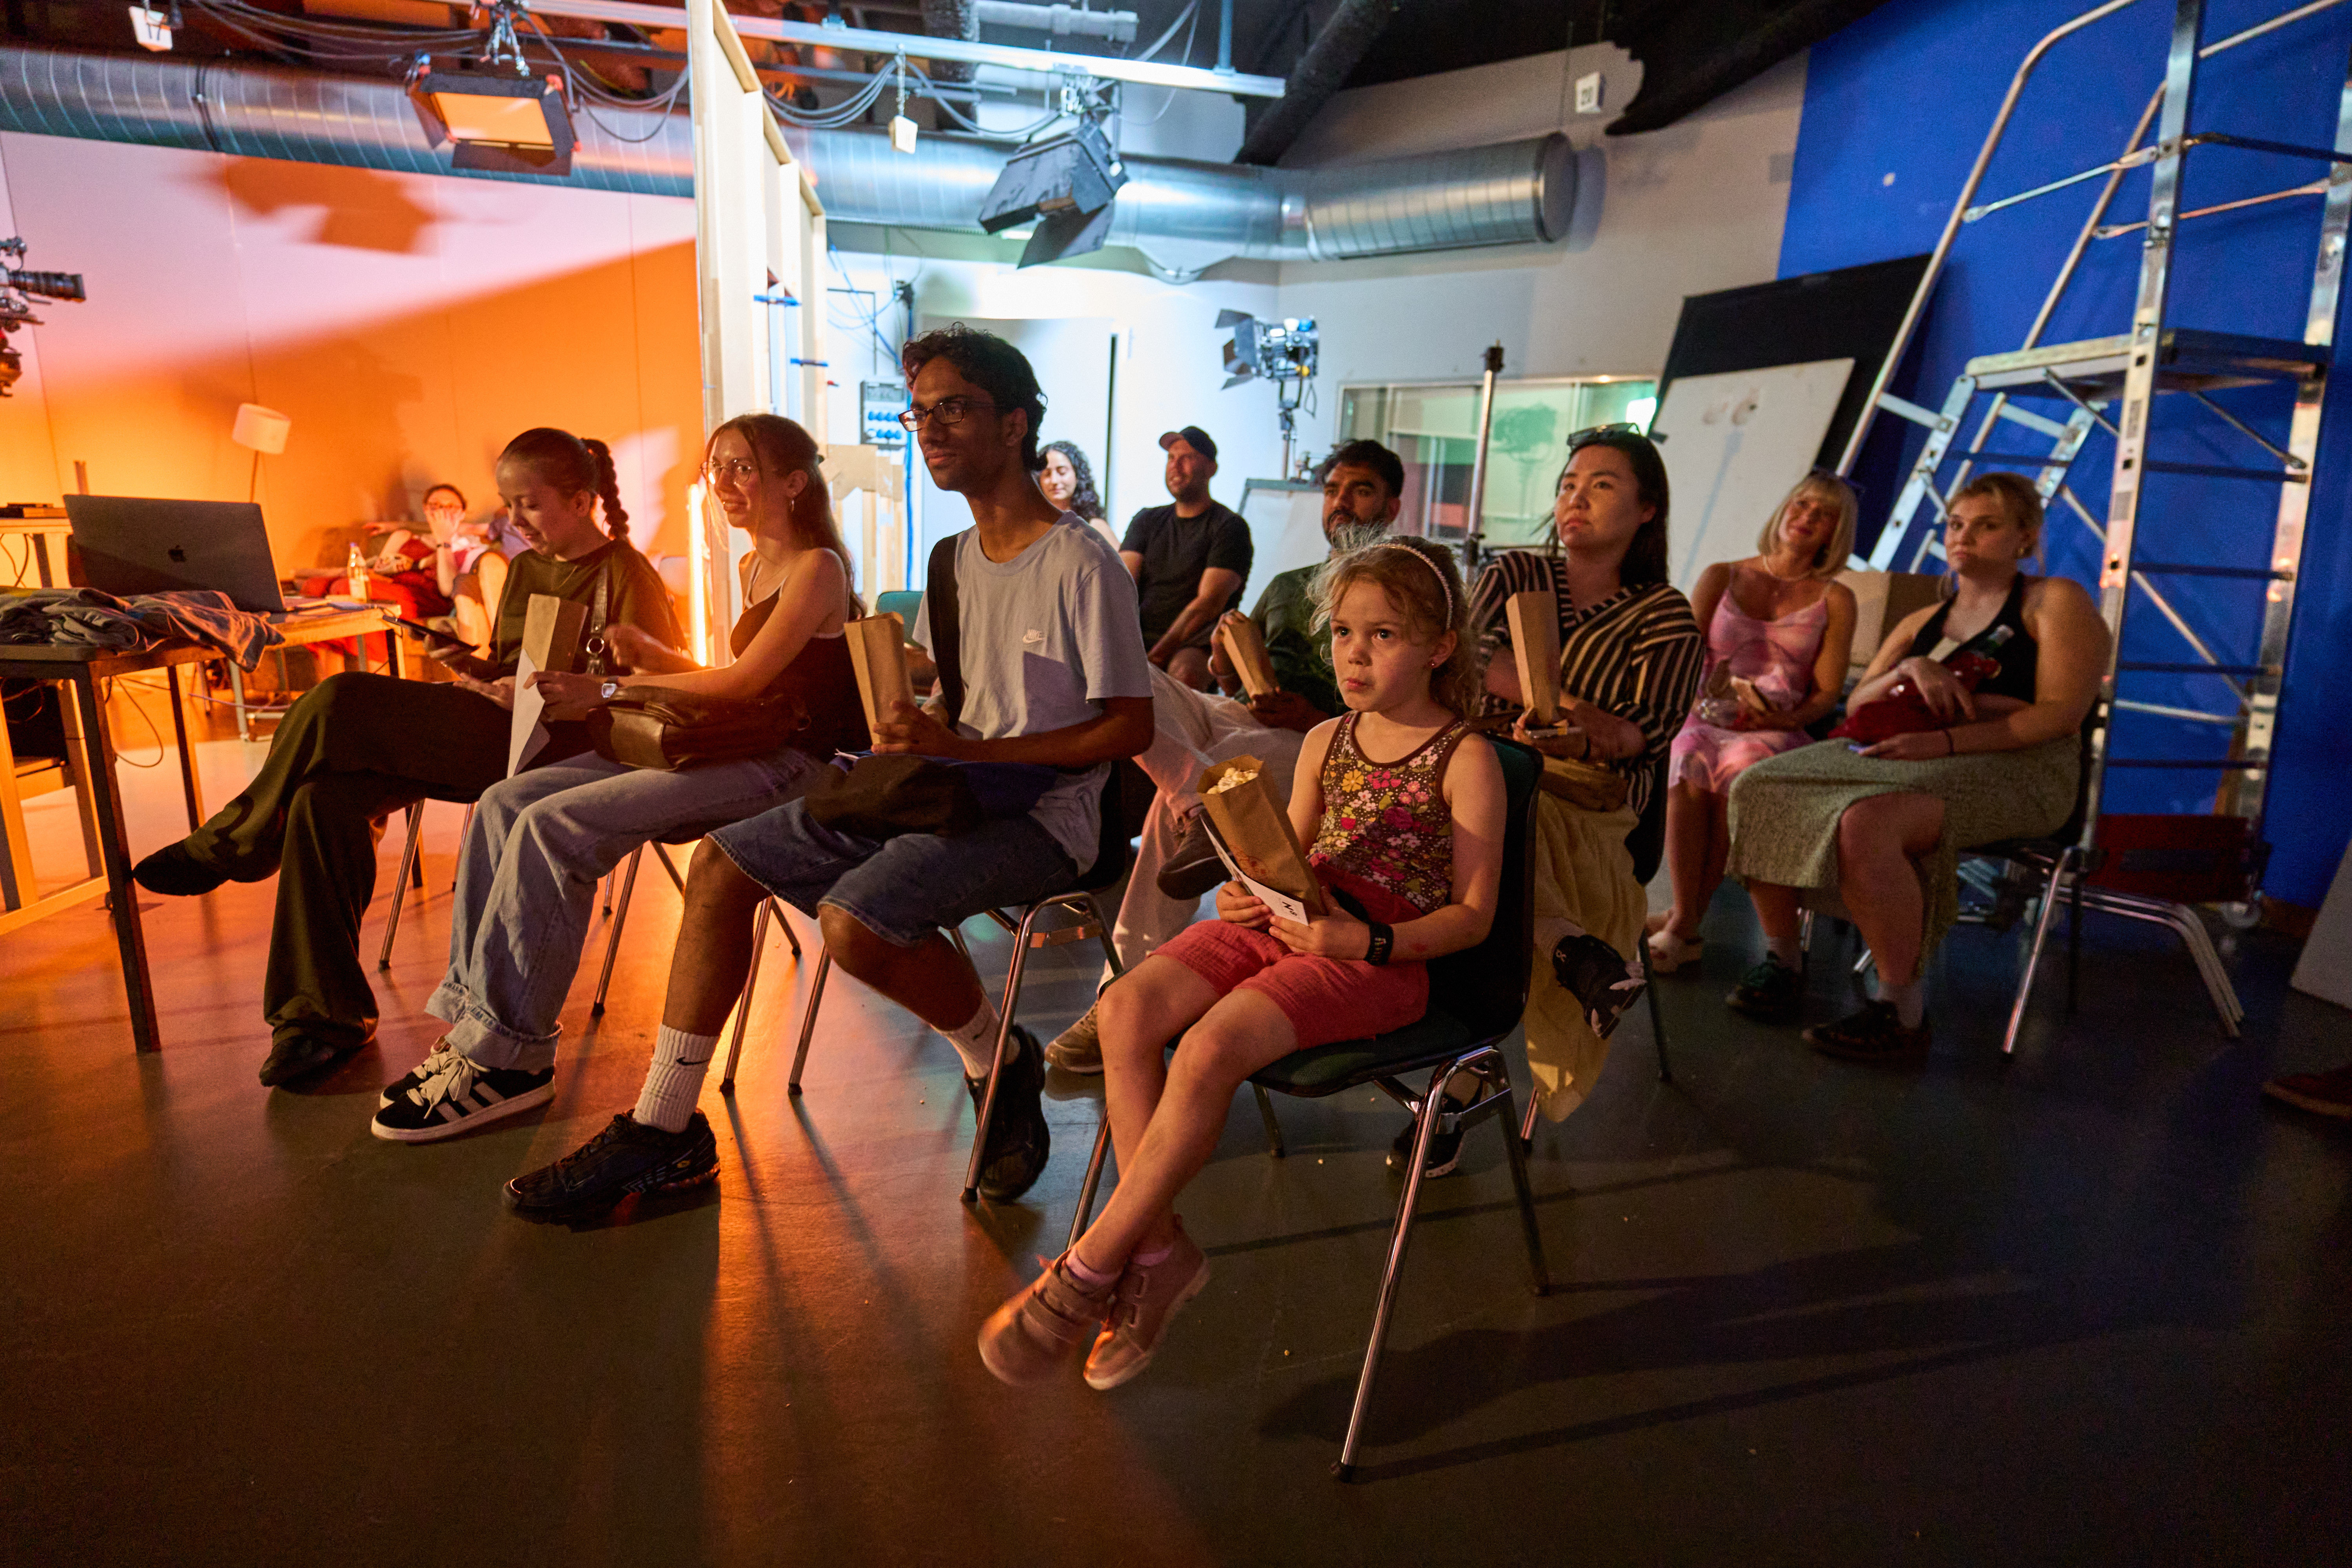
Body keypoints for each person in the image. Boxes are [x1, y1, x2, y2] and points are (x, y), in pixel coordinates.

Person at [497, 325, 1154, 1222]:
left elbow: (1126, 727)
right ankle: (663, 1127)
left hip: (1045, 815)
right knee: (720, 864)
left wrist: (967, 747)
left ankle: (995, 1057)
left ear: (1016, 423)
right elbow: (960, 690)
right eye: (920, 412)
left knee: (856, 920)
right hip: (945, 782)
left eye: (953, 408)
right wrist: (907, 701)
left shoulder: (1083, 562)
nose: (930, 428)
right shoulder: (952, 558)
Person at [976, 536, 1506, 1391]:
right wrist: (1244, 893)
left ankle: (1090, 1265)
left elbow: (1474, 917)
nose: (1354, 654)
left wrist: (1366, 941)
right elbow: (1286, 854)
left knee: (1210, 1047)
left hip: (1378, 955)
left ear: (1440, 647)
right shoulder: (1329, 737)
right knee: (1125, 1008)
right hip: (1295, 920)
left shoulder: (1466, 756)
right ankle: (1159, 1252)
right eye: (1343, 632)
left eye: (1383, 635)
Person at [129, 428, 680, 1088]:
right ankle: (319, 1019)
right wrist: (474, 669)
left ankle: (237, 838)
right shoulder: (527, 570)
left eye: (530, 504)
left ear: (583, 500)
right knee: (322, 801)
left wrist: (559, 694)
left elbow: (657, 693)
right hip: (504, 727)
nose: (515, 520)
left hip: (564, 753)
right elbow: (517, 668)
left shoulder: (626, 574)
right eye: (509, 504)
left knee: (340, 699)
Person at [371, 414, 868, 1142]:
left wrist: (603, 690)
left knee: (555, 825)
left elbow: (743, 685)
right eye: (719, 468)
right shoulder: (752, 566)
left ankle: (510, 1057)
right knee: (505, 801)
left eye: (743, 467)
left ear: (794, 483)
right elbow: (740, 682)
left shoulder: (818, 567)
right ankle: (477, 1028)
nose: (724, 483)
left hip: (793, 766)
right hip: (739, 744)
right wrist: (659, 660)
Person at [1045, 438, 1406, 1073]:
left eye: (1361, 490)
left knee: (1216, 773)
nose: (1342, 503)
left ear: (1393, 505)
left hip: (1326, 739)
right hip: (1242, 714)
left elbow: (1408, 713)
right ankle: (1192, 794)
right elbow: (1237, 675)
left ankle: (1119, 989)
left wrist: (1313, 716)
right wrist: (1225, 662)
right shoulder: (1291, 585)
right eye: (1333, 490)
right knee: (1123, 675)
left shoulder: (1401, 590)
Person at [1724, 471, 2109, 1062]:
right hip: (1912, 752)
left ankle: (1900, 1011)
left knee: (1867, 821)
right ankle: (1783, 959)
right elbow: (1859, 702)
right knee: (1759, 785)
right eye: (1956, 525)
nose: (1963, 537)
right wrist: (1911, 669)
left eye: (1986, 526)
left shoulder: (2054, 601)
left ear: (2026, 538)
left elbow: (2061, 714)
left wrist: (1948, 741)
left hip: (2020, 769)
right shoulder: (1922, 621)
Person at [1459, 427, 1704, 1167]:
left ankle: (1458, 1083)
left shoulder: (1663, 613)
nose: (1576, 498)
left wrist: (1575, 730)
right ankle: (1570, 950)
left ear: (1648, 509)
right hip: (1485, 772)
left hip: (1599, 810)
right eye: (1569, 484)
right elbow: (1467, 660)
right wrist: (1564, 705)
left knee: (1494, 831)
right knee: (1459, 814)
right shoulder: (1516, 572)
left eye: (1602, 485)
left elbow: (1641, 734)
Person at [1648, 472, 1858, 972]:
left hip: (1775, 726)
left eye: (1824, 514)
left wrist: (1787, 716)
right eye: (1802, 504)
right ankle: (1685, 919)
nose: (1807, 517)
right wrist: (1699, 705)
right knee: (1689, 757)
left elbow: (1827, 693)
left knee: (1742, 767)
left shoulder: (1836, 598)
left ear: (1836, 532)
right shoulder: (1722, 575)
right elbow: (1683, 658)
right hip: (1704, 712)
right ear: (1784, 510)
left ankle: (1682, 924)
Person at [1120, 425, 1252, 691]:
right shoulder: (1146, 520)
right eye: (1171, 458)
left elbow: (1208, 604)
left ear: (1211, 468)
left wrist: (1157, 656)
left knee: (1184, 673)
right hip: (1139, 632)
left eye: (1187, 458)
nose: (1175, 466)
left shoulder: (1229, 527)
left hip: (1195, 641)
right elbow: (1120, 585)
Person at [1037, 440, 1118, 555]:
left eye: (1062, 472)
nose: (1054, 481)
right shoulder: (1032, 525)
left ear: (1078, 475)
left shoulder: (1094, 526)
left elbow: (1121, 564)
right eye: (1047, 474)